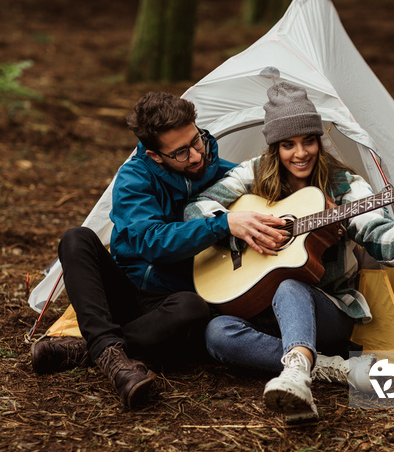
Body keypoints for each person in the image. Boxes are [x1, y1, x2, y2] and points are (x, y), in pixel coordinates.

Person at [184, 81, 394, 422]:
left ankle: (298, 378)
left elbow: (377, 237)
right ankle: (331, 368)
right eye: (288, 145)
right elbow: (196, 208)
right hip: (263, 312)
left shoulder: (345, 185)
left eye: (308, 141)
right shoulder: (254, 172)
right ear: (275, 147)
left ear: (319, 140)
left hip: (329, 310)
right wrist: (234, 225)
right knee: (217, 333)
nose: (300, 153)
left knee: (289, 286)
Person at [30, 92, 285, 408]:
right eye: (180, 152)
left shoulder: (225, 174)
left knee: (193, 308)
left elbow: (279, 190)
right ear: (154, 156)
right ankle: (113, 358)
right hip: (128, 293)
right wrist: (224, 224)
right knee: (75, 239)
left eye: (197, 140)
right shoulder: (134, 178)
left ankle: (93, 349)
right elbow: (151, 241)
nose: (195, 156)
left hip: (177, 305)